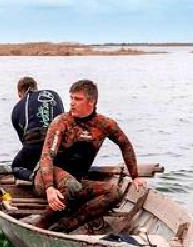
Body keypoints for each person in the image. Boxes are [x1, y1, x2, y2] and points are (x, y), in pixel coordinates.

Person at [33, 79, 146, 232]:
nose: (72, 103)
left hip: (76, 183)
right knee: (71, 186)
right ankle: (40, 224)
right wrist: (50, 188)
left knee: (114, 192)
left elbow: (125, 144)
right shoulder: (61, 122)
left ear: (91, 101)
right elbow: (47, 156)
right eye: (71, 98)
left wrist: (135, 176)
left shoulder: (104, 124)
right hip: (46, 178)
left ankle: (67, 225)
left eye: (77, 99)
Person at [11, 76, 64, 181]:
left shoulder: (18, 107)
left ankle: (34, 177)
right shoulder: (54, 95)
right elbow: (63, 119)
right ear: (36, 88)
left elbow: (24, 139)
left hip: (35, 145)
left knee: (16, 167)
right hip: (58, 145)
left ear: (19, 93)